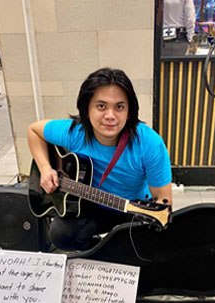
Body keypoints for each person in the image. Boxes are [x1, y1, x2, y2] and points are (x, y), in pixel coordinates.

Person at [28, 68, 172, 251]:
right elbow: (33, 131)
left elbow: (164, 202)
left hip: (134, 207)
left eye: (119, 107)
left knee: (142, 248)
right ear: (87, 109)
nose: (110, 116)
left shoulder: (150, 144)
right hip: (91, 204)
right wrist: (45, 168)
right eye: (101, 106)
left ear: (129, 113)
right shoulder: (74, 133)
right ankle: (98, 252)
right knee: (60, 234)